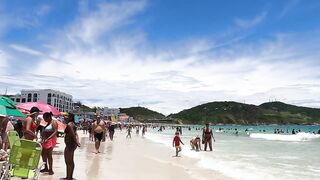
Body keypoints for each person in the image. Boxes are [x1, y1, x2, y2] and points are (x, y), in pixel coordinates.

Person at [62, 113, 81, 180]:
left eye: (66, 116)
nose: (64, 117)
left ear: (70, 118)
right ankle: (68, 176)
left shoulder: (70, 125)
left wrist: (77, 142)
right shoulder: (72, 124)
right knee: (69, 161)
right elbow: (76, 134)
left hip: (70, 144)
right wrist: (77, 142)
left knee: (68, 161)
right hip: (71, 144)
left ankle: (69, 177)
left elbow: (73, 135)